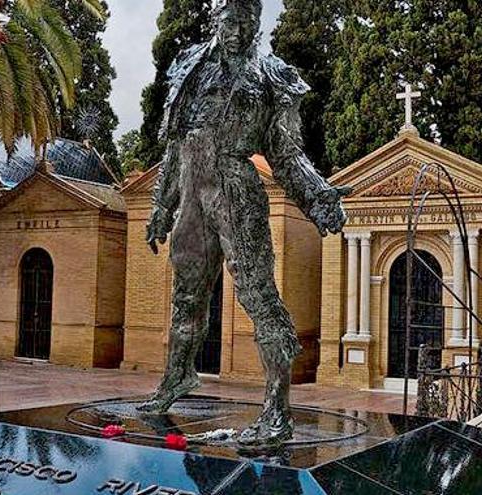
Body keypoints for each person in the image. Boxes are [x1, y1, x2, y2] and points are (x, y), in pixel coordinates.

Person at [141, 0, 350, 446]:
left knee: (257, 294)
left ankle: (277, 409)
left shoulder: (272, 75)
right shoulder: (189, 67)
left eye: (246, 23)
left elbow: (287, 154)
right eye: (229, 22)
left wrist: (318, 196)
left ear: (256, 25)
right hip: (191, 186)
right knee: (186, 293)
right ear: (216, 21)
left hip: (235, 189)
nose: (236, 31)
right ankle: (177, 377)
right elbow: (175, 145)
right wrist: (161, 206)